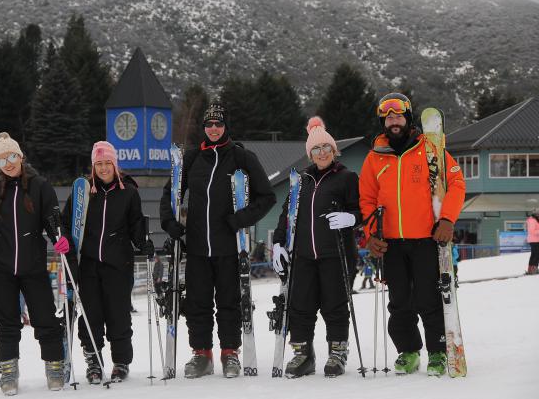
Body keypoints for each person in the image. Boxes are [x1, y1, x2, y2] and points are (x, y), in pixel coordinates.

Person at [159, 101, 276, 378]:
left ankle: (229, 353)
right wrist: (171, 223)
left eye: (218, 124)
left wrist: (240, 219)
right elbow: (169, 193)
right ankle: (202, 354)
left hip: (229, 247)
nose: (213, 129)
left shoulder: (241, 157)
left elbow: (267, 197)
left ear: (226, 127)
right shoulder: (191, 159)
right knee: (198, 303)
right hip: (198, 247)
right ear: (204, 128)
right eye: (209, 124)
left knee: (229, 301)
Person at [359, 93, 465, 377]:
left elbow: (456, 183)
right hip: (390, 242)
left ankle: (438, 352)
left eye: (399, 116)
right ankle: (408, 351)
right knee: (399, 302)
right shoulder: (374, 158)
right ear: (383, 122)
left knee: (429, 299)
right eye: (388, 117)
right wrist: (371, 235)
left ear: (408, 118)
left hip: (427, 240)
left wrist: (447, 219)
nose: (394, 121)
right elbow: (367, 200)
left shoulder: (431, 150)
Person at [0, 132, 69, 395]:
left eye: (12, 156)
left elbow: (53, 221)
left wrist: (60, 238)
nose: (9, 163)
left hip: (33, 266)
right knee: (6, 321)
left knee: (45, 318)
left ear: (21, 156)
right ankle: (8, 371)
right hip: (0, 267)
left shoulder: (40, 187)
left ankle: (55, 366)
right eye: (2, 159)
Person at [271, 116, 360, 378]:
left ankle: (337, 352)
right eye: (316, 149)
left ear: (334, 151)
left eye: (326, 148)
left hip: (336, 254)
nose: (322, 153)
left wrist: (351, 218)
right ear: (310, 153)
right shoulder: (300, 181)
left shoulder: (346, 178)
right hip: (303, 256)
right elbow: (287, 215)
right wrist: (278, 243)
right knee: (301, 306)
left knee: (335, 305)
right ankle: (303, 354)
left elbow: (360, 209)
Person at [62, 141, 153, 384]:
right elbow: (66, 222)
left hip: (118, 264)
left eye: (107, 163)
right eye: (98, 164)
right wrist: (64, 241)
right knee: (91, 315)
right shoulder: (83, 192)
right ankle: (93, 361)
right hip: (89, 264)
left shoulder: (128, 193)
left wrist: (144, 242)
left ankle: (120, 362)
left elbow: (136, 225)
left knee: (118, 315)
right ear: (93, 166)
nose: (103, 169)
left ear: (115, 164)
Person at [526, 209, 539, 275]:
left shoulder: (536, 220)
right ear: (536, 214)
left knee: (535, 254)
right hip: (534, 240)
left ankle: (532, 269)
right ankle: (533, 269)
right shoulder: (532, 220)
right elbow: (532, 231)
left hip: (536, 240)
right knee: (536, 254)